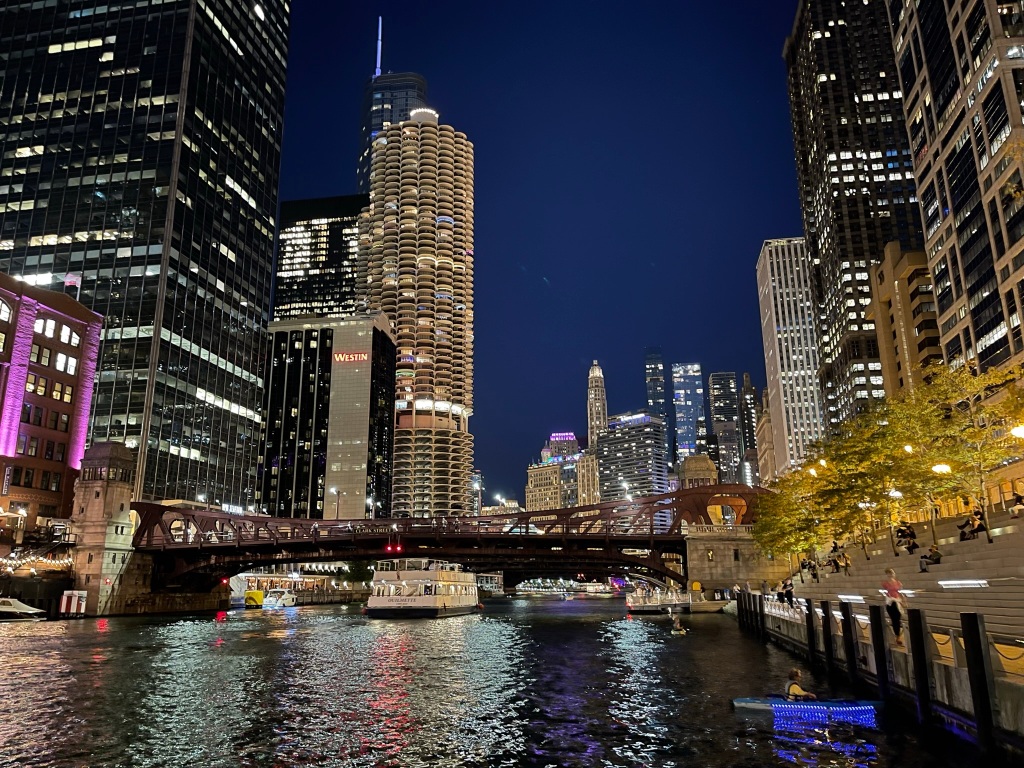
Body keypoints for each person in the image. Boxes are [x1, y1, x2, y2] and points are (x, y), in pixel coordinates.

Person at [881, 568, 905, 646]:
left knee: (897, 618)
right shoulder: (885, 583)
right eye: (888, 573)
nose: (891, 574)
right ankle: (897, 636)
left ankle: (897, 635)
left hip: (897, 601)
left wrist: (904, 600)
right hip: (890, 602)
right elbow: (885, 593)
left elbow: (900, 592)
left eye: (891, 573)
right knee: (894, 619)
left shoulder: (898, 583)